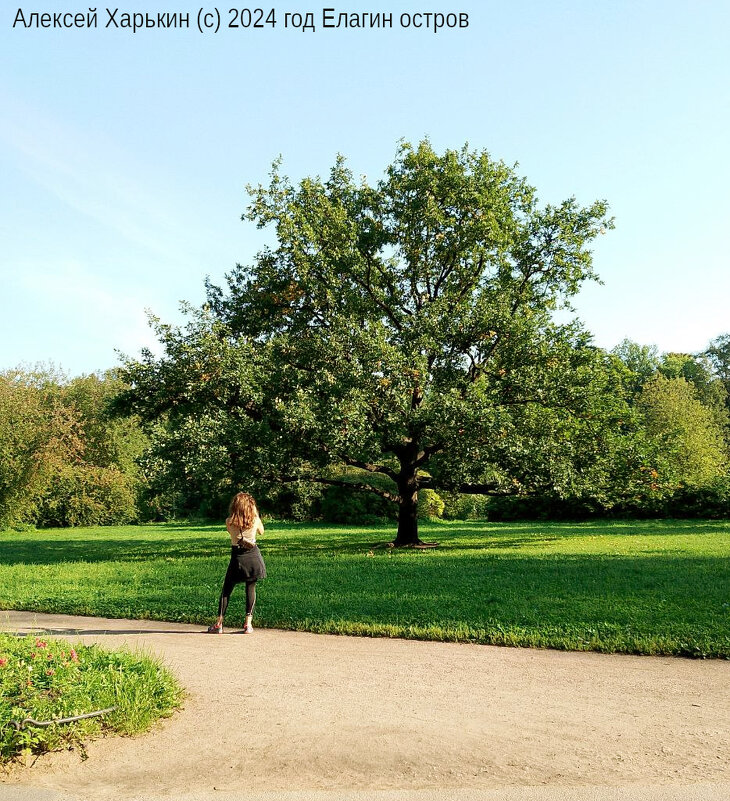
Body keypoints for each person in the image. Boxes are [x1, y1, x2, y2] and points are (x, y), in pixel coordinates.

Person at [207, 491, 267, 634]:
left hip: (237, 557)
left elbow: (231, 533)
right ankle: (248, 624)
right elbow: (262, 532)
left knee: (226, 590)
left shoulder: (229, 521)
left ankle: (219, 624)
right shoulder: (255, 521)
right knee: (250, 588)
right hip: (253, 556)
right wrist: (256, 514)